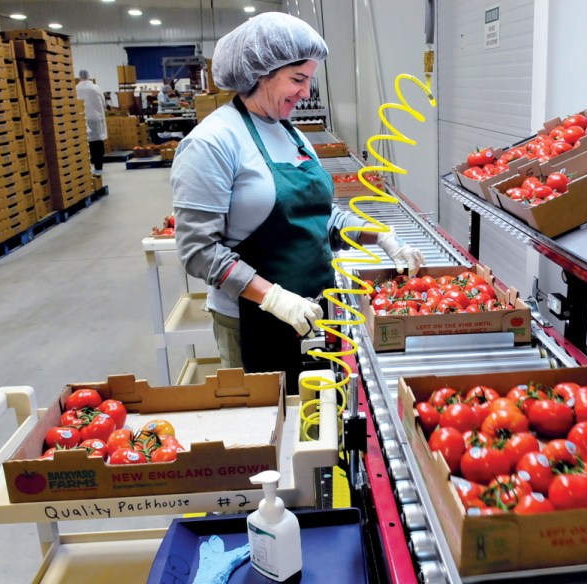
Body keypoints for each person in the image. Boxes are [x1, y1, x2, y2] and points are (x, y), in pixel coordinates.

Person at [170, 12, 425, 393]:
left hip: (311, 312)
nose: (306, 93)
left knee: (316, 426)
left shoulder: (290, 134)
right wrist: (272, 298)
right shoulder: (213, 142)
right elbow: (198, 250)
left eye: (310, 80)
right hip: (251, 323)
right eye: (298, 79)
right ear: (260, 73)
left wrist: (383, 237)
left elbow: (321, 216)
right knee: (271, 432)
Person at [76, 70, 107, 176]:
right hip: (96, 118)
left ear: (79, 77)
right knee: (98, 142)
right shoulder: (96, 88)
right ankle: (99, 167)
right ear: (89, 76)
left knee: (86, 143)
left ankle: (86, 167)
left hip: (82, 118)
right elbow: (103, 103)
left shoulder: (76, 88)